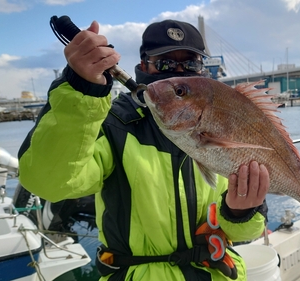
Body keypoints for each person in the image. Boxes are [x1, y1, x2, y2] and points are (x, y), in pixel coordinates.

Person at [18, 19, 270, 281]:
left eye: (192, 63)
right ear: (142, 66)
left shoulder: (224, 121)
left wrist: (239, 212)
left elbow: (244, 234)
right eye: (165, 63)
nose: (180, 70)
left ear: (202, 67)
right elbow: (50, 183)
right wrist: (81, 90)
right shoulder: (111, 122)